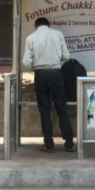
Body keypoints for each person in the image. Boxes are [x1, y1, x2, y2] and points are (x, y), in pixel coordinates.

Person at [22, 18, 76, 153]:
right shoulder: (57, 34)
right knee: (61, 108)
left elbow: (26, 61)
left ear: (36, 26)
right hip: (56, 73)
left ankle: (49, 144)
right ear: (48, 25)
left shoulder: (31, 37)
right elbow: (66, 55)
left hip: (40, 74)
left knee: (44, 109)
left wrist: (35, 66)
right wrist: (56, 61)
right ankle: (69, 143)